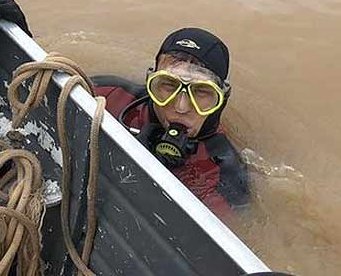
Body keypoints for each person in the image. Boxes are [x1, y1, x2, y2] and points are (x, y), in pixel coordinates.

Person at [93, 28, 251, 219]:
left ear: (221, 99)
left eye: (201, 92)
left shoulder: (225, 174)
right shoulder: (106, 96)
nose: (181, 107)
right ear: (151, 82)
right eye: (168, 85)